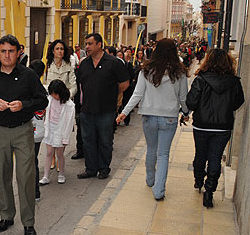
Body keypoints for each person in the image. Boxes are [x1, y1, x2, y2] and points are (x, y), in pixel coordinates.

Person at [0, 34, 48, 235]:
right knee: (2, 174)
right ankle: (6, 216)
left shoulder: (29, 75)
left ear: (18, 53)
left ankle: (28, 222)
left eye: (11, 51)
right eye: (3, 51)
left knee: (25, 176)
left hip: (23, 129)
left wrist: (24, 105)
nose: (7, 55)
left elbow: (42, 101)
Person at [117, 39, 189, 201]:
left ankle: (150, 179)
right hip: (169, 117)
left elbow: (137, 94)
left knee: (151, 149)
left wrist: (124, 112)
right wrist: (185, 112)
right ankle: (159, 190)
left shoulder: (146, 70)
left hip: (149, 116)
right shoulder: (180, 72)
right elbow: (183, 97)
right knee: (163, 154)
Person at [186, 49, 244, 208]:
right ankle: (209, 191)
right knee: (215, 158)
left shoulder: (201, 80)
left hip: (202, 125)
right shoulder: (234, 82)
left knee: (200, 154)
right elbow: (239, 102)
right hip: (223, 127)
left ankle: (198, 179)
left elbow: (191, 102)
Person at [76, 33, 130, 179]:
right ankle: (90, 169)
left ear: (99, 44)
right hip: (87, 110)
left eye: (90, 44)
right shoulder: (84, 64)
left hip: (106, 110)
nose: (86, 47)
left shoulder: (114, 62)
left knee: (105, 140)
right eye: (86, 44)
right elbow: (80, 85)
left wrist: (111, 93)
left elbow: (125, 83)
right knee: (88, 141)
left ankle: (104, 168)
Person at [39, 80, 75, 185]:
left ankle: (61, 174)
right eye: (52, 94)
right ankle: (45, 176)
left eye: (55, 94)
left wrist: (65, 138)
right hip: (50, 128)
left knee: (60, 154)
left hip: (61, 131)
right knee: (49, 153)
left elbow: (69, 124)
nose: (54, 96)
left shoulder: (69, 105)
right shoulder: (49, 99)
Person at [29, 60, 47, 201]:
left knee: (29, 161)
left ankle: (33, 190)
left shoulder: (28, 88)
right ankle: (34, 191)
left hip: (29, 129)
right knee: (32, 159)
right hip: (39, 130)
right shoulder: (43, 90)